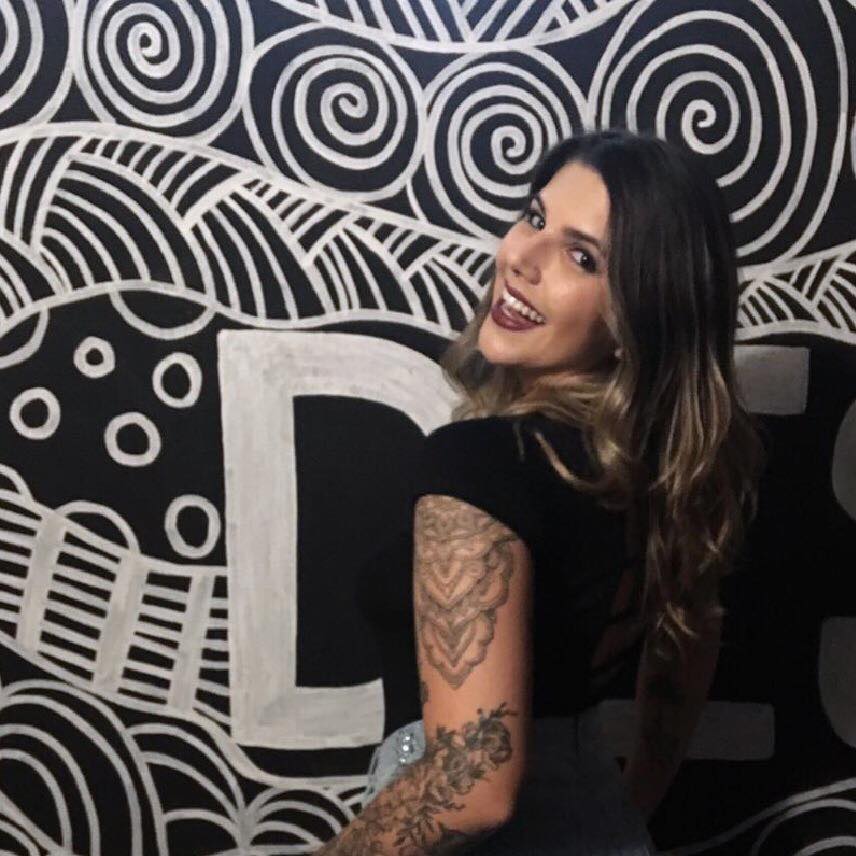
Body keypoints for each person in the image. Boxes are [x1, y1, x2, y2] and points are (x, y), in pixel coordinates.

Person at [316, 126, 766, 854]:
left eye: (582, 257)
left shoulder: (483, 462)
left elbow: (470, 782)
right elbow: (681, 666)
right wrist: (622, 809)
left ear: (637, 314)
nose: (521, 258)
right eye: (534, 217)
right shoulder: (664, 475)